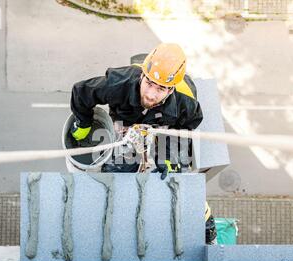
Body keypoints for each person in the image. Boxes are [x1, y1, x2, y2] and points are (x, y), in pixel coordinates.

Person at [69, 43, 216, 243]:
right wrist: (84, 123)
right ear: (142, 76)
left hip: (163, 126)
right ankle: (119, 227)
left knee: (176, 180)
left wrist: (169, 157)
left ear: (171, 89)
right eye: (148, 83)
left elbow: (189, 125)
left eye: (161, 89)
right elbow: (81, 92)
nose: (150, 94)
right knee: (118, 174)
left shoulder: (186, 101)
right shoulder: (119, 83)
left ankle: (207, 230)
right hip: (126, 122)